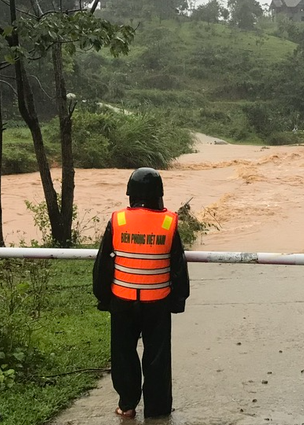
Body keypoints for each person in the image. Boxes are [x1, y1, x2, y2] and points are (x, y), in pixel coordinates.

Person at [93, 167, 190, 419]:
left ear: (130, 193)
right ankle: (157, 411)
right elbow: (178, 266)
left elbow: (104, 264)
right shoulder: (168, 222)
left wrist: (103, 297)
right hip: (157, 302)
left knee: (123, 353)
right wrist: (178, 300)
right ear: (159, 194)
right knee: (157, 357)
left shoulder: (118, 221)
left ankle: (127, 405)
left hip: (122, 301)